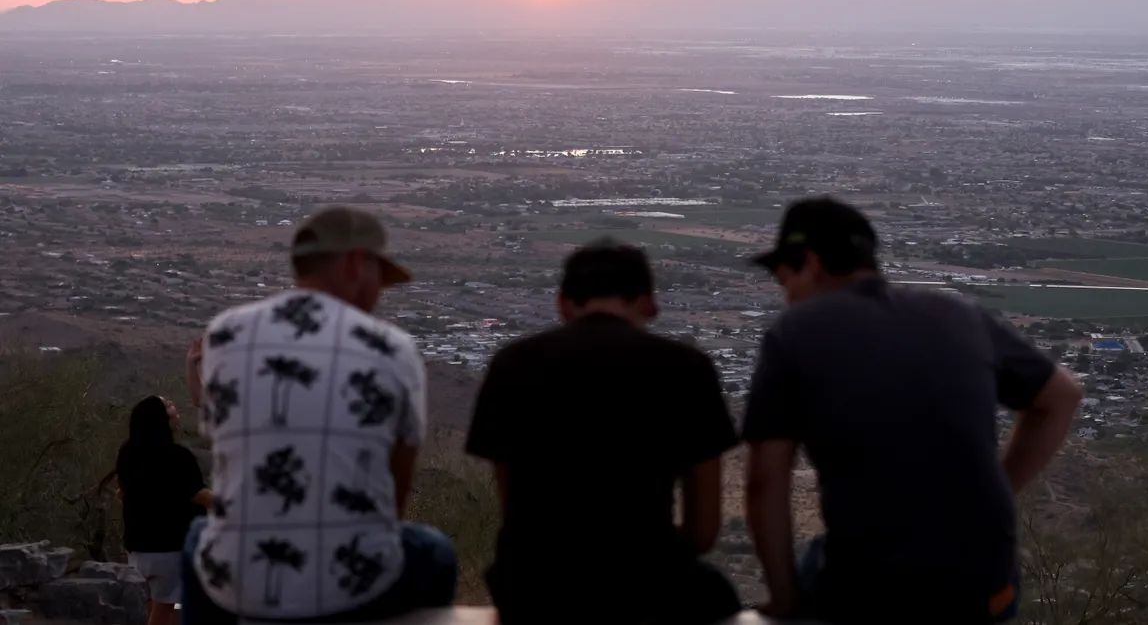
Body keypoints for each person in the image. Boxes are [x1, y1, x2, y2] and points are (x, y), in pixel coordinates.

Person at [741, 197, 1084, 625]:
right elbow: (1062, 396)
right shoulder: (959, 313)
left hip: (881, 588)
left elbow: (764, 481)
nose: (785, 295)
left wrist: (784, 598)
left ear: (810, 264)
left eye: (783, 278)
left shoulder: (796, 332)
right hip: (985, 586)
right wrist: (996, 489)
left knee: (817, 565)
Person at [181, 206, 457, 625]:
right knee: (433, 550)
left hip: (238, 584)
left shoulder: (225, 333)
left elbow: (227, 457)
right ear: (353, 263)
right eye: (378, 277)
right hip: (352, 591)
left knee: (198, 538)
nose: (379, 292)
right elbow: (394, 493)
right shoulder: (393, 348)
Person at [465, 239, 743, 625]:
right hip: (648, 587)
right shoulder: (686, 369)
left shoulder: (513, 364)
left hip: (534, 590)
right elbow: (703, 530)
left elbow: (516, 513)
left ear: (562, 303)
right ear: (650, 303)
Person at [99, 396, 212, 625]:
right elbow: (200, 495)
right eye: (169, 406)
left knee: (155, 609)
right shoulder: (178, 457)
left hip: (138, 550)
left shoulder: (128, 453)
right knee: (162, 613)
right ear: (161, 419)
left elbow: (123, 492)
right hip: (169, 549)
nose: (175, 408)